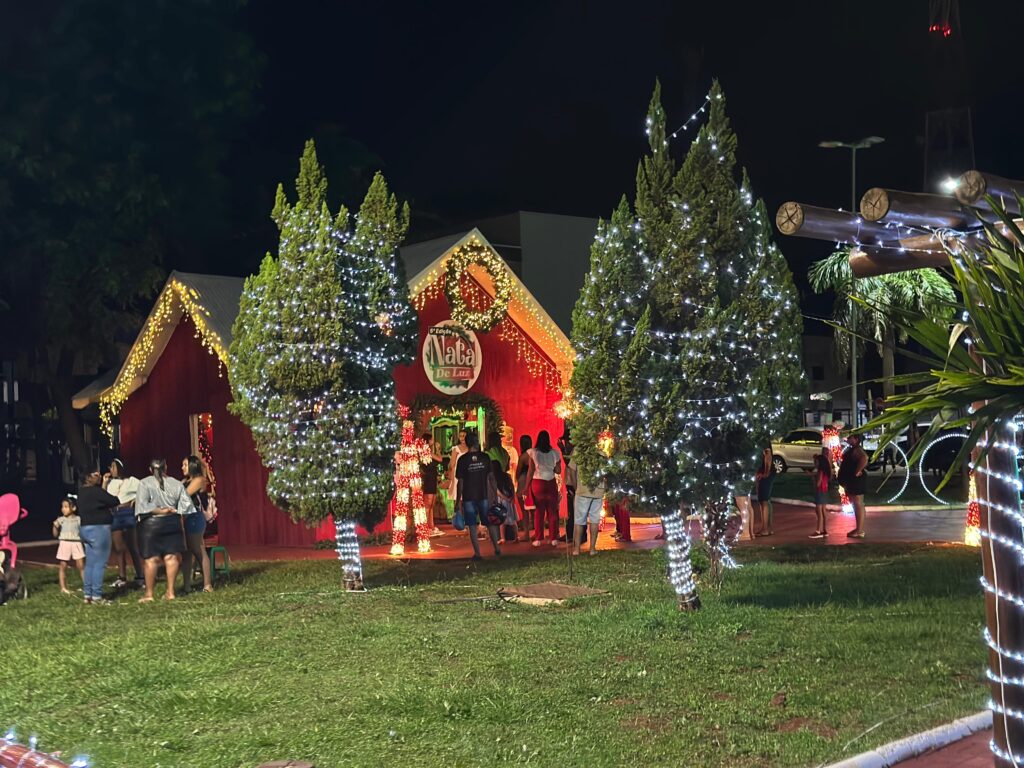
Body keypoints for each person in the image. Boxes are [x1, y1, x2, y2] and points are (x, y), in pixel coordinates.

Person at [135, 458, 193, 602]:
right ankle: (171, 592)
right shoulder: (177, 483)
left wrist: (160, 511)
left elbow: (141, 507)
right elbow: (187, 507)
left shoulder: (144, 483)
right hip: (172, 522)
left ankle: (149, 594)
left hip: (150, 525)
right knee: (171, 557)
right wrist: (171, 510)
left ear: (150, 469)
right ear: (166, 467)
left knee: (151, 559)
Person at [76, 469, 121, 604]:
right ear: (88, 478)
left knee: (90, 563)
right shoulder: (96, 491)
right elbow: (114, 500)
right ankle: (97, 596)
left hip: (85, 529)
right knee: (100, 563)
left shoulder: (81, 492)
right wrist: (106, 485)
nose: (99, 477)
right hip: (99, 528)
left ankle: (87, 594)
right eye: (95, 475)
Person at [454, 432, 501, 560]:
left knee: (472, 525)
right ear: (477, 442)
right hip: (483, 495)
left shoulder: (463, 460)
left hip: (468, 497)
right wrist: (495, 496)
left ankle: (477, 553)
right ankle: (496, 548)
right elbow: (492, 478)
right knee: (489, 522)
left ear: (467, 443)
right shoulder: (485, 457)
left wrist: (458, 500)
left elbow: (460, 482)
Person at [104, 458, 144, 588]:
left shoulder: (132, 481)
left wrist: (135, 500)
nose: (111, 469)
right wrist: (104, 482)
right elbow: (103, 496)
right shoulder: (111, 482)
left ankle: (140, 576)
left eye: (114, 467)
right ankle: (122, 577)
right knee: (119, 547)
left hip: (127, 512)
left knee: (133, 546)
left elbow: (145, 492)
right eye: (111, 467)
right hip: (115, 514)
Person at [180, 455, 213, 594]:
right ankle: (187, 585)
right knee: (186, 553)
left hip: (194, 517)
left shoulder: (199, 480)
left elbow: (185, 494)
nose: (182, 468)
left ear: (193, 466)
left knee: (198, 550)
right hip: (186, 518)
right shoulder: (184, 481)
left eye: (185, 465)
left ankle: (208, 585)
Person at [526, 430, 562, 547]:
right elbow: (558, 470)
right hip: (550, 482)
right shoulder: (555, 453)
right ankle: (553, 538)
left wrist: (526, 487)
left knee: (538, 512)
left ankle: (538, 538)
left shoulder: (533, 453)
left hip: (537, 483)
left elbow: (530, 471)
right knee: (552, 511)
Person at [52, 496, 85, 595]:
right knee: (63, 565)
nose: (63, 509)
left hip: (76, 542)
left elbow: (82, 531)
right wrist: (54, 526)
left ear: (73, 508)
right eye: (62, 507)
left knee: (81, 565)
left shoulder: (78, 519)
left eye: (66, 507)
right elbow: (55, 534)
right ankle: (63, 587)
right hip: (64, 543)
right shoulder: (61, 520)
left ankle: (86, 586)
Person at [839, 433, 869, 538]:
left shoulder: (857, 450)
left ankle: (859, 531)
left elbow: (864, 458)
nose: (848, 438)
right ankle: (858, 529)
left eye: (850, 437)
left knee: (858, 504)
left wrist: (857, 471)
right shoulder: (853, 449)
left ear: (856, 439)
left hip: (857, 481)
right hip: (853, 481)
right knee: (857, 504)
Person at [573, 471, 604, 556]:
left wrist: (575, 486)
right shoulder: (604, 456)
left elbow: (571, 470)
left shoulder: (577, 456)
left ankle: (576, 549)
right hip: (598, 490)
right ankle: (592, 549)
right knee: (594, 520)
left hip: (582, 489)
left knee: (579, 521)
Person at [492, 459, 518, 544]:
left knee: (501, 520)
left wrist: (506, 499)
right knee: (512, 519)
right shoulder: (507, 475)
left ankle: (503, 538)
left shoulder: (494, 478)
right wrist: (512, 497)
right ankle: (516, 536)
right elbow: (512, 487)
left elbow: (497, 492)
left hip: (502, 500)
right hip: (509, 498)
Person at [561, 438, 581, 544]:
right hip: (571, 483)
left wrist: (562, 449)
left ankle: (574, 535)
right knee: (572, 510)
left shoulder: (575, 450)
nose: (566, 443)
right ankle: (571, 534)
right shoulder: (572, 450)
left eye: (566, 441)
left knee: (574, 510)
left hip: (573, 484)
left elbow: (569, 463)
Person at [514, 434, 534, 537]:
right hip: (534, 481)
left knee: (524, 509)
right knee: (534, 509)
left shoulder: (523, 456)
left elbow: (518, 471)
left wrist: (516, 480)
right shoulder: (535, 453)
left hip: (523, 481)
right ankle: (537, 532)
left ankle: (526, 533)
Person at [754, 447, 776, 536]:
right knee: (765, 501)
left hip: (765, 476)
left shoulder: (766, 450)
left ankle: (765, 529)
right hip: (766, 475)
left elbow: (768, 457)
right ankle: (768, 527)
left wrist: (763, 474)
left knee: (764, 501)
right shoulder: (765, 449)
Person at [421, 433, 441, 527]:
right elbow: (440, 459)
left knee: (431, 503)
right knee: (428, 503)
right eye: (432, 439)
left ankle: (431, 525)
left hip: (432, 477)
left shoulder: (427, 451)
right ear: (428, 441)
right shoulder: (426, 452)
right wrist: (438, 450)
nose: (433, 441)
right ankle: (425, 526)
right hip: (428, 478)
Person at [808, 453, 829, 539]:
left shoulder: (820, 471)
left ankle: (818, 530)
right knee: (823, 511)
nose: (814, 464)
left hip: (819, 492)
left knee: (819, 511)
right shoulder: (825, 471)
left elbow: (818, 484)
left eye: (816, 462)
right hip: (824, 491)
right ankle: (824, 529)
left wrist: (812, 477)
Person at [447, 429, 468, 509]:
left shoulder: (470, 448)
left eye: (464, 436)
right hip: (457, 475)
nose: (462, 438)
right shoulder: (456, 448)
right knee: (458, 498)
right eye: (461, 436)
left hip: (468, 474)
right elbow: (452, 465)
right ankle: (458, 517)